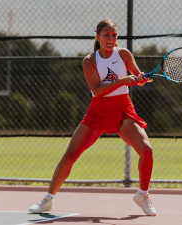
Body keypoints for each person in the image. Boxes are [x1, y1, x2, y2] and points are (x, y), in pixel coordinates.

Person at [29, 19, 156, 216]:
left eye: (114, 36)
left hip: (123, 110)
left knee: (146, 150)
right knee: (70, 155)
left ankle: (142, 195)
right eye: (107, 35)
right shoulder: (89, 61)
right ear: (97, 36)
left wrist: (140, 79)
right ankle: (48, 199)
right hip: (97, 113)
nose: (111, 39)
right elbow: (97, 90)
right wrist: (123, 81)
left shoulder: (124, 55)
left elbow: (137, 78)